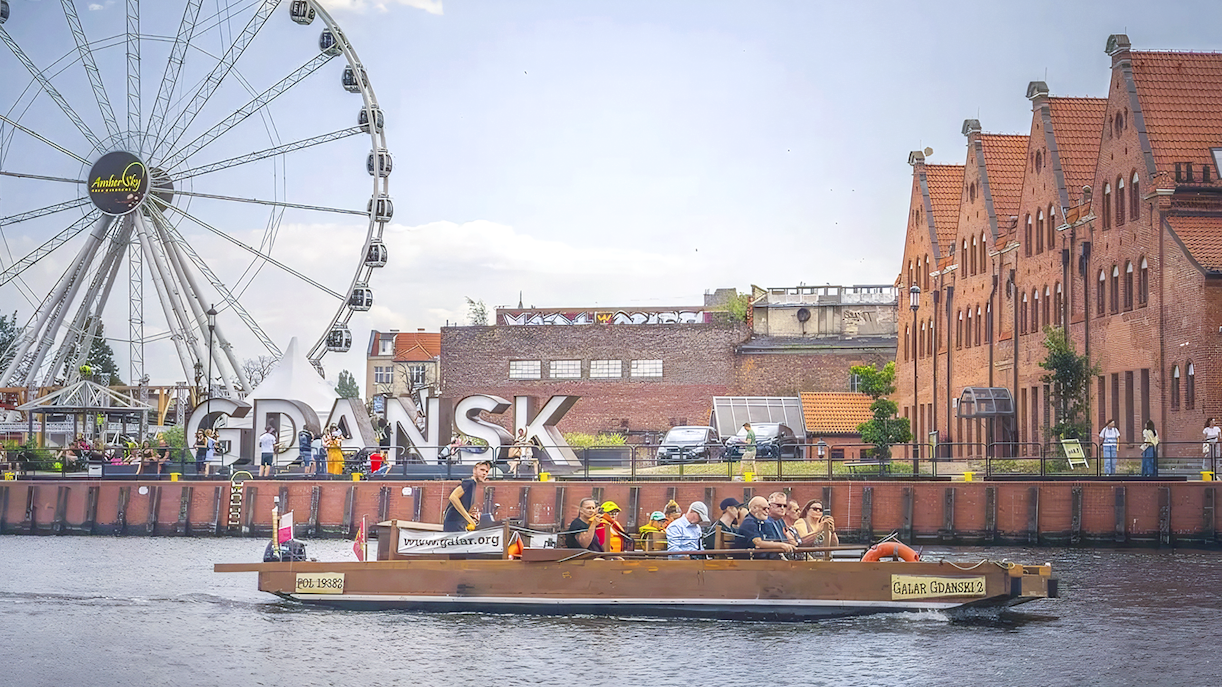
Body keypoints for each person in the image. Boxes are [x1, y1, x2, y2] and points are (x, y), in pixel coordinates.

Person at [442, 460, 492, 532]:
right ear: (474, 470)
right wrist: (468, 518)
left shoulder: (474, 485)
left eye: (486, 472)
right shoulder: (469, 482)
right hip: (454, 522)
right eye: (482, 470)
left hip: (458, 522)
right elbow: (453, 497)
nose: (484, 473)